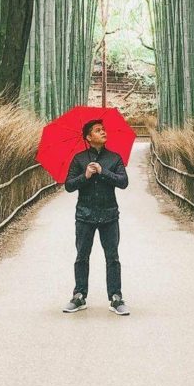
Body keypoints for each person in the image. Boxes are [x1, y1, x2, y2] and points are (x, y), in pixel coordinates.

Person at [62, 118, 130, 315]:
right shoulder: (79, 159)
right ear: (88, 137)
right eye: (98, 130)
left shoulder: (114, 158)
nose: (103, 132)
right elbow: (69, 185)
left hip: (109, 215)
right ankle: (79, 296)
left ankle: (116, 298)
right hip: (85, 215)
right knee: (82, 257)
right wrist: (86, 176)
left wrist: (102, 171)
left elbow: (123, 182)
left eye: (104, 129)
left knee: (113, 257)